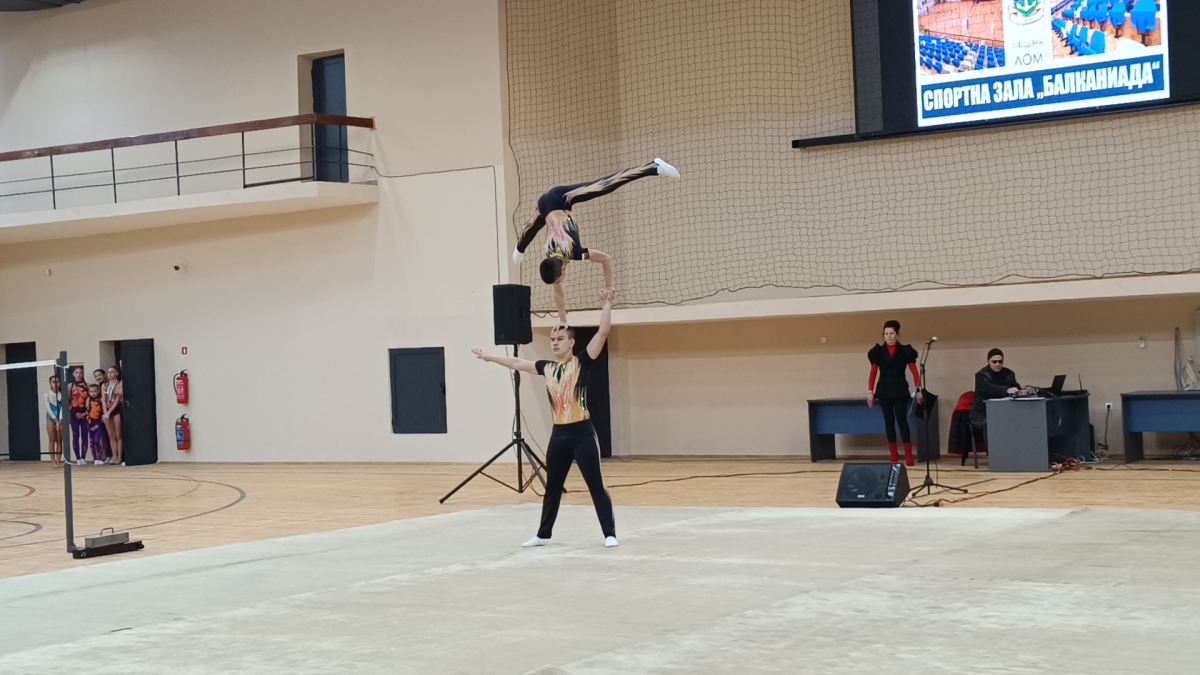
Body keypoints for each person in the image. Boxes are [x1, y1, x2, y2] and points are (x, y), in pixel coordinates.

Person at [473, 289, 618, 548]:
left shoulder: (582, 362)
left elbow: (603, 332)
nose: (554, 342)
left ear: (571, 343)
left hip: (583, 433)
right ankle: (543, 534)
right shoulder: (547, 368)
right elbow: (518, 363)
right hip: (559, 435)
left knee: (595, 485)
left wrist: (606, 304)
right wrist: (490, 357)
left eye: (560, 338)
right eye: (552, 339)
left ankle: (609, 533)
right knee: (552, 486)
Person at [512, 159, 680, 324]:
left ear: (562, 269)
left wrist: (609, 287)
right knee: (532, 227)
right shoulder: (549, 256)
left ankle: (654, 166)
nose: (561, 281)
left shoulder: (574, 252)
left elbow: (606, 259)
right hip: (544, 205)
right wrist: (563, 321)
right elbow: (557, 291)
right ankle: (519, 249)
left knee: (604, 185)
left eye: (560, 279)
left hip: (561, 198)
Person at [867, 320, 923, 466]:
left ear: (897, 335)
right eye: (886, 334)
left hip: (900, 389)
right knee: (889, 421)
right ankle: (893, 453)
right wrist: (870, 392)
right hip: (884, 390)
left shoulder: (905, 350)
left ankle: (908, 454)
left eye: (891, 333)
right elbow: (873, 373)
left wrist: (919, 390)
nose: (889, 336)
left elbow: (914, 371)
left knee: (901, 420)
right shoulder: (877, 352)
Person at [970, 348, 1022, 430]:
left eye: (1000, 361)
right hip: (983, 413)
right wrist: (1006, 391)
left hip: (1006, 411)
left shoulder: (1009, 374)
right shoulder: (981, 375)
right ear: (988, 361)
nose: (997, 364)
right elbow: (988, 389)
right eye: (994, 362)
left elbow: (1016, 388)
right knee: (993, 424)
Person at [67, 367, 90, 466]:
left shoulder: (88, 386)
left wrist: (86, 412)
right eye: (76, 372)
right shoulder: (70, 386)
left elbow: (91, 400)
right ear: (73, 374)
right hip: (74, 414)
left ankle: (83, 457)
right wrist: (74, 413)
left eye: (80, 372)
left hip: (85, 414)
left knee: (85, 436)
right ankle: (77, 458)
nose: (79, 374)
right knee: (75, 436)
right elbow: (67, 401)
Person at [103, 365, 125, 467]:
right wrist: (105, 413)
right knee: (111, 436)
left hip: (116, 410)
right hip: (107, 411)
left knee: (118, 435)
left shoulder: (119, 384)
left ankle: (120, 456)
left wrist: (110, 412)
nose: (110, 374)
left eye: (112, 372)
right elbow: (103, 400)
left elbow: (118, 399)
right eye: (108, 372)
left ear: (117, 373)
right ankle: (114, 455)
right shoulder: (104, 385)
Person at [93, 369, 112, 464]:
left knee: (111, 435)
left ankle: (113, 455)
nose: (98, 377)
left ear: (104, 375)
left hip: (110, 412)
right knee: (105, 436)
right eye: (96, 376)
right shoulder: (97, 387)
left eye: (99, 375)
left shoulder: (108, 385)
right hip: (100, 414)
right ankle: (108, 455)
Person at [44, 375, 64, 469]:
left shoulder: (62, 394)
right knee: (52, 440)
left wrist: (59, 420)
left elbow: (63, 408)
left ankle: (59, 461)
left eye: (58, 382)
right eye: (53, 382)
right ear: (50, 383)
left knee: (59, 440)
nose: (56, 384)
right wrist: (55, 420)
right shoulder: (47, 395)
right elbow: (48, 409)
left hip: (60, 419)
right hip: (51, 419)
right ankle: (53, 461)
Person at [86, 384, 108, 465]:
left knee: (97, 441)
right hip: (90, 424)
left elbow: (103, 415)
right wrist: (90, 425)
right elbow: (87, 413)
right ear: (88, 392)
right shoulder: (88, 400)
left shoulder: (101, 400)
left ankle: (99, 457)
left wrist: (98, 425)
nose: (93, 393)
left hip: (99, 424)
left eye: (95, 391)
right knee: (92, 442)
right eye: (91, 391)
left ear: (98, 391)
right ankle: (95, 458)